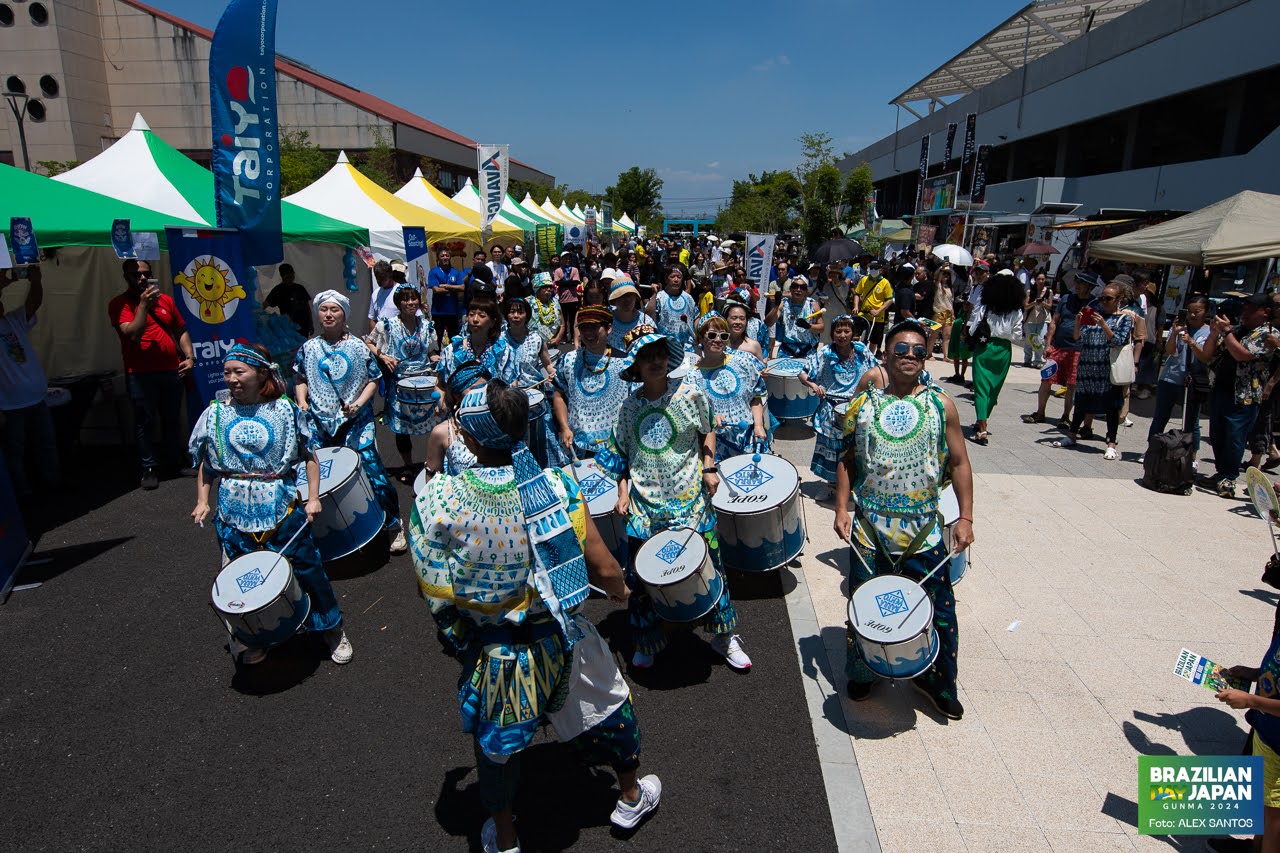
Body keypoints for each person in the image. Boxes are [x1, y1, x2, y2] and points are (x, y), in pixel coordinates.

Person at [410, 381, 661, 853]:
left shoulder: (438, 498)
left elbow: (435, 590)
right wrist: (622, 591)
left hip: (497, 650)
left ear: (471, 439)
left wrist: (465, 637)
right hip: (562, 635)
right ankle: (629, 795)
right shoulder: (557, 487)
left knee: (497, 746)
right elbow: (603, 565)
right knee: (608, 706)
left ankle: (505, 839)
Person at [833, 320, 974, 719]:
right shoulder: (863, 405)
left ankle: (937, 681)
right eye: (901, 349)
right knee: (865, 603)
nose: (910, 356)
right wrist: (842, 508)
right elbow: (847, 459)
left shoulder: (941, 403)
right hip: (870, 525)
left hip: (924, 528)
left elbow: (961, 461)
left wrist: (965, 517)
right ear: (886, 355)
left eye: (918, 351)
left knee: (939, 609)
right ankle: (865, 669)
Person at [598, 327, 751, 672]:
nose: (655, 361)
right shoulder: (628, 407)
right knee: (642, 579)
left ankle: (723, 637)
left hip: (690, 501)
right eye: (646, 356)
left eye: (660, 354)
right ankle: (649, 639)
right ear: (636, 365)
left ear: (669, 358)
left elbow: (708, 427)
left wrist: (709, 467)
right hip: (644, 507)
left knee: (711, 568)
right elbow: (621, 454)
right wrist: (622, 492)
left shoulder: (691, 394)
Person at [189, 342, 351, 666]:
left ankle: (331, 628)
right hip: (234, 513)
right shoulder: (216, 413)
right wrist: (202, 500)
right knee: (243, 576)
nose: (232, 379)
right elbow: (208, 465)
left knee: (307, 568)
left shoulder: (286, 411)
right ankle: (253, 635)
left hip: (281, 507)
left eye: (239, 372)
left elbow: (309, 458)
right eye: (226, 373)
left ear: (260, 373)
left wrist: (315, 498)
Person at [294, 290, 407, 554]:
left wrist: (357, 405)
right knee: (318, 478)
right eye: (324, 310)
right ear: (318, 314)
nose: (329, 314)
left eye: (335, 310)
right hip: (319, 421)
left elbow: (373, 379)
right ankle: (328, 533)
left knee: (372, 470)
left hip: (356, 421)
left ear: (344, 314)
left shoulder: (357, 346)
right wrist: (302, 401)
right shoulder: (308, 348)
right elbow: (300, 378)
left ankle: (393, 523)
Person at [107, 258, 196, 489]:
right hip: (141, 373)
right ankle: (149, 467)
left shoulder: (165, 300)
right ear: (127, 278)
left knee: (172, 419)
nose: (142, 278)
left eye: (146, 274)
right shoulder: (120, 304)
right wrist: (144, 306)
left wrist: (189, 357)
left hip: (171, 370)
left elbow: (180, 330)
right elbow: (132, 334)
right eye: (137, 275)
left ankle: (174, 462)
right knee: (145, 422)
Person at [1202, 293, 1280, 497]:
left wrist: (1226, 332)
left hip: (1245, 394)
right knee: (1217, 434)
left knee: (1234, 437)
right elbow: (1210, 354)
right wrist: (1214, 333)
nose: (1245, 312)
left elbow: (1242, 355)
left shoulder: (1269, 334)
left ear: (1266, 312)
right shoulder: (1237, 330)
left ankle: (1229, 477)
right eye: (1244, 308)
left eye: (1251, 309)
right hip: (1222, 388)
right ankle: (1221, 474)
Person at [800, 315, 879, 500]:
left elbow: (876, 372)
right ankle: (831, 486)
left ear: (853, 334)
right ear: (832, 333)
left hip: (857, 407)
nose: (842, 335)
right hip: (831, 409)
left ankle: (853, 487)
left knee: (856, 448)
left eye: (846, 331)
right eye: (838, 331)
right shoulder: (825, 353)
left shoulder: (861, 350)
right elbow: (803, 373)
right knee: (832, 449)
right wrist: (814, 386)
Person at [1051, 283, 1133, 461]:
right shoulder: (1096, 315)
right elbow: (1077, 337)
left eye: (1108, 299)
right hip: (1087, 366)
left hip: (1107, 370)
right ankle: (1072, 435)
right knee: (1081, 402)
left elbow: (1118, 340)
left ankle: (1111, 443)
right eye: (1102, 298)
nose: (1103, 302)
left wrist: (1104, 325)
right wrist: (1079, 322)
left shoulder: (1124, 319)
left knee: (1111, 407)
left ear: (1119, 300)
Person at [0, 265, 59, 500]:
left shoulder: (11, 321)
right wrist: (6, 279)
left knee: (46, 446)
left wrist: (35, 280)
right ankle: (22, 496)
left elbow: (34, 303)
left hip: (35, 398)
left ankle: (53, 486)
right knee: (15, 453)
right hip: (9, 405)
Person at [369, 283, 440, 480]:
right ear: (398, 303)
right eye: (405, 299)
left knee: (434, 423)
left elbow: (431, 350)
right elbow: (369, 341)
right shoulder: (387, 325)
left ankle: (432, 464)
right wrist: (383, 356)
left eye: (413, 298)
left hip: (425, 381)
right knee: (401, 428)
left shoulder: (426, 325)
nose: (410, 303)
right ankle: (408, 466)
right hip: (399, 383)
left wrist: (435, 357)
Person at [552, 305, 633, 460]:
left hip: (616, 445)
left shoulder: (626, 363)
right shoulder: (568, 360)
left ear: (608, 328)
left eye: (594, 327)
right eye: (584, 328)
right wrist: (564, 428)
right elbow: (558, 394)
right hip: (578, 446)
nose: (588, 333)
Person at [689, 313, 770, 462]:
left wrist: (759, 425)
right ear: (701, 338)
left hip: (749, 440)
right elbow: (692, 414)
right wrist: (711, 418)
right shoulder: (691, 377)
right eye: (712, 335)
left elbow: (756, 396)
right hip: (716, 448)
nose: (718, 340)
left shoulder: (744, 363)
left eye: (723, 336)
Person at [1022, 271, 1095, 426]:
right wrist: (1048, 344)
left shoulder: (1093, 304)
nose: (1078, 285)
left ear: (1089, 286)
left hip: (1079, 349)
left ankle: (1065, 417)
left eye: (1082, 283)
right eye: (1077, 281)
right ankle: (1040, 412)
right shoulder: (1066, 299)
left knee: (1071, 384)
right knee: (1046, 379)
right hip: (1059, 346)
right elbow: (1054, 321)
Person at [1148, 295, 1210, 468]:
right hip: (1170, 377)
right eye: (1189, 311)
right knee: (1160, 416)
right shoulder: (1181, 328)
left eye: (1197, 312)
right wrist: (1175, 333)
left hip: (1192, 381)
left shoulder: (1208, 332)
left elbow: (1204, 356)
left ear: (1205, 312)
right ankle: (1152, 449)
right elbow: (1170, 351)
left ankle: (1192, 455)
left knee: (1192, 421)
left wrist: (1191, 342)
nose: (1192, 315)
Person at [968, 270, 1025, 445]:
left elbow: (973, 328)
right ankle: (982, 421)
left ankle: (982, 426)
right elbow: (1017, 335)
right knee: (994, 389)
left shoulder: (986, 307)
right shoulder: (1016, 311)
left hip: (984, 347)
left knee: (981, 388)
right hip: (1004, 350)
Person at [421, 361, 488, 485]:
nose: (482, 394)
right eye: (474, 390)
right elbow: (432, 481)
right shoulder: (442, 432)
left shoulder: (499, 426)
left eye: (486, 388)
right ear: (457, 395)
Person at [438, 293, 517, 387]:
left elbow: (512, 385)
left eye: (482, 316)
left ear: (492, 322)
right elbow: (440, 385)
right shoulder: (452, 350)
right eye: (471, 315)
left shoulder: (503, 351)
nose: (475, 319)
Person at [767, 275, 824, 358]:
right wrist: (775, 305)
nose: (798, 289)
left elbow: (821, 327)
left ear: (806, 291)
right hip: (787, 350)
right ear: (790, 289)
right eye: (795, 286)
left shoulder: (813, 304)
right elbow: (769, 322)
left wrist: (808, 326)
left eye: (802, 287)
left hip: (808, 351)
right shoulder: (783, 303)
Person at [647, 264, 698, 351]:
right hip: (666, 348)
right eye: (672, 276)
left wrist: (697, 334)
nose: (676, 280)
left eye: (679, 277)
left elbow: (696, 317)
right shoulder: (659, 297)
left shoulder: (688, 298)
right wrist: (654, 295)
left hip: (687, 347)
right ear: (666, 279)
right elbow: (648, 317)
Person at [854, 261, 894, 354]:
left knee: (874, 339)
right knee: (858, 336)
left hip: (877, 317)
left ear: (880, 270)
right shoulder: (864, 279)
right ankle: (857, 355)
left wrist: (879, 310)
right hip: (864, 313)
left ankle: (870, 356)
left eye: (875, 268)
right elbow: (857, 293)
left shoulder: (885, 283)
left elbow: (889, 300)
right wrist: (856, 306)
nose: (873, 270)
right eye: (872, 268)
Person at [263, 263, 313, 337]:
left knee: (303, 346)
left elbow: (307, 307)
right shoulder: (278, 290)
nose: (290, 276)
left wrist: (311, 324)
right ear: (282, 276)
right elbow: (264, 305)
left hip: (303, 326)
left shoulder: (300, 288)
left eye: (291, 273)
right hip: (288, 328)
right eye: (287, 274)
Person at [607, 275, 655, 352]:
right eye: (622, 296)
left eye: (630, 295)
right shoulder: (606, 321)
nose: (627, 300)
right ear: (614, 300)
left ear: (636, 297)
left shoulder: (646, 322)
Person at [429, 248, 465, 348]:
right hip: (438, 311)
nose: (445, 258)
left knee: (454, 338)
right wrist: (454, 288)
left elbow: (462, 287)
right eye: (442, 256)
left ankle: (455, 359)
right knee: (437, 338)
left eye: (447, 256)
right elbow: (436, 290)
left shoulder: (455, 272)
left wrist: (446, 286)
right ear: (438, 258)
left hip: (452, 311)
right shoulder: (434, 272)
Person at [1022, 272, 1052, 369]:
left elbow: (1050, 306)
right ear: (1035, 280)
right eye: (1039, 279)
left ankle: (1038, 360)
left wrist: (1043, 303)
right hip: (1030, 318)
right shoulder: (1030, 291)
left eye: (1043, 279)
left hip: (1042, 319)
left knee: (1040, 340)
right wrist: (1034, 303)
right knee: (1028, 341)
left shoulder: (1048, 292)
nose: (1041, 281)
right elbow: (1026, 306)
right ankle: (1027, 359)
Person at [528, 273, 565, 350]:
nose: (548, 289)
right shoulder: (528, 303)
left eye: (550, 287)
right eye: (544, 287)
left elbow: (562, 325)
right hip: (532, 346)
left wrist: (558, 338)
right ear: (537, 288)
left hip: (552, 346)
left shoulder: (555, 302)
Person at [367, 260, 399, 334]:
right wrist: (372, 340)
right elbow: (373, 319)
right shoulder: (375, 294)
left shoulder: (401, 291)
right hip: (382, 339)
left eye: (382, 277)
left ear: (390, 275)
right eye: (377, 277)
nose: (379, 280)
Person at [555, 250, 582, 332]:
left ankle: (573, 335)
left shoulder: (575, 270)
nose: (567, 260)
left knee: (573, 319)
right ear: (561, 260)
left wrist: (564, 282)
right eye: (565, 258)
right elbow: (557, 282)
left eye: (569, 259)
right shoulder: (558, 271)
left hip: (573, 298)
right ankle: (564, 337)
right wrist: (569, 282)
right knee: (563, 319)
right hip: (562, 299)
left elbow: (576, 282)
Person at [930, 267, 953, 362]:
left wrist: (953, 313)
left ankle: (946, 356)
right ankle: (929, 353)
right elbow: (937, 279)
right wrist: (942, 269)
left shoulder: (950, 287)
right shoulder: (937, 285)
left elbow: (951, 301)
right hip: (938, 312)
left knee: (947, 336)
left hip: (948, 312)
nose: (946, 276)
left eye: (948, 274)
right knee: (933, 335)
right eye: (944, 274)